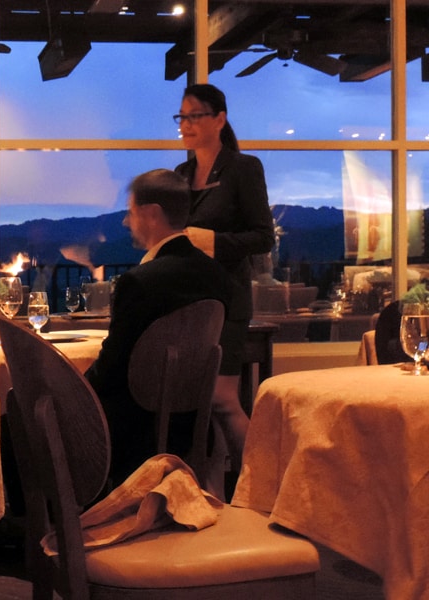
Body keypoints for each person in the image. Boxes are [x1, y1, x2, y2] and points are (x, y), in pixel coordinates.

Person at [84, 168, 231, 485]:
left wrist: (74, 389)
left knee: (20, 418)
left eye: (131, 212)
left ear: (151, 214)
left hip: (131, 431)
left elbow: (111, 372)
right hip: (190, 428)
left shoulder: (139, 281)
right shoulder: (216, 274)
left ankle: (44, 522)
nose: (126, 222)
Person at [173, 83, 275, 477]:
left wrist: (214, 241)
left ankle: (261, 483)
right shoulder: (181, 173)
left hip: (227, 302)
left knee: (222, 400)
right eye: (181, 116)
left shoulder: (243, 168)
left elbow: (262, 236)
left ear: (219, 118)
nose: (185, 124)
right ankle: (212, 491)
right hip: (187, 303)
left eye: (194, 115)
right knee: (197, 404)